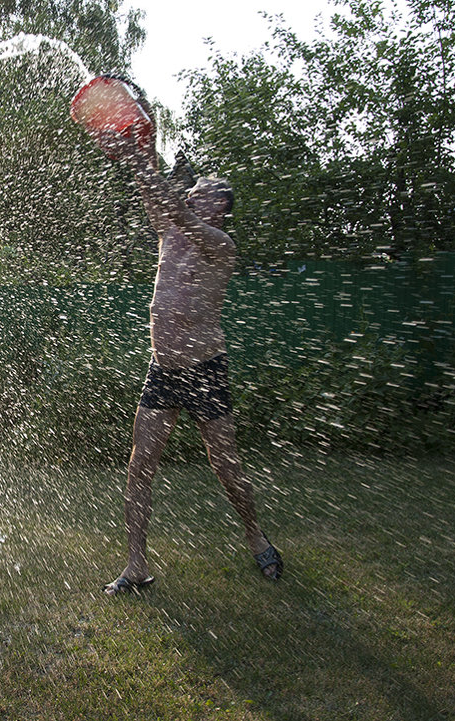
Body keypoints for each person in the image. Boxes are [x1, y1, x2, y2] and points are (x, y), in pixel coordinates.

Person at [85, 97, 282, 595]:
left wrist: (136, 158)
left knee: (225, 465)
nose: (198, 195)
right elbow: (154, 194)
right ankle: (135, 565)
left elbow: (170, 204)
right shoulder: (170, 233)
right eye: (196, 190)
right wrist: (137, 148)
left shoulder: (217, 243)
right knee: (140, 463)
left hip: (204, 369)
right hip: (163, 369)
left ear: (222, 209)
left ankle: (256, 534)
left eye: (209, 193)